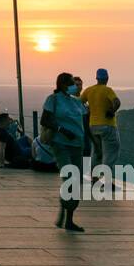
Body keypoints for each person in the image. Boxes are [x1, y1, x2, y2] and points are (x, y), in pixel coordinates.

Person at [42, 72, 88, 232]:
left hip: (77, 145)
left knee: (76, 183)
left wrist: (88, 143)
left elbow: (85, 123)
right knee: (69, 177)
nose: (74, 85)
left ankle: (68, 218)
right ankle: (64, 208)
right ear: (62, 84)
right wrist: (62, 130)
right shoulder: (53, 100)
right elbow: (45, 119)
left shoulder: (77, 102)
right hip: (60, 144)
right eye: (71, 83)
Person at [81, 68, 122, 174]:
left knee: (96, 151)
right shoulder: (108, 90)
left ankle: (94, 178)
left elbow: (79, 102)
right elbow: (117, 102)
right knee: (110, 153)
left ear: (97, 78)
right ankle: (107, 180)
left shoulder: (89, 90)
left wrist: (88, 109)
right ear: (107, 78)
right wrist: (112, 111)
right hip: (107, 126)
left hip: (93, 126)